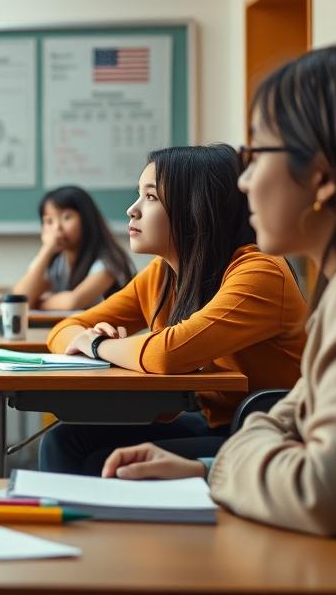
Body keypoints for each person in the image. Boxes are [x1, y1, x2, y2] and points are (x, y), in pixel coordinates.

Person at [101, 39, 336, 552]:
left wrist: (228, 457)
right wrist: (205, 469)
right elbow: (291, 414)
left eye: (257, 156)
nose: (244, 183)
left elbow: (332, 490)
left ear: (322, 177)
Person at [40, 144, 307, 475]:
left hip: (267, 435)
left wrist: (95, 344)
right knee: (63, 440)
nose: (132, 210)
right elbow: (64, 329)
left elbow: (167, 353)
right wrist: (82, 335)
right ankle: (64, 519)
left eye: (151, 197)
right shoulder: (163, 273)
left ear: (197, 207)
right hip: (213, 421)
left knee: (103, 461)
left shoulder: (260, 271)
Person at [12, 185, 135, 309]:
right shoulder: (56, 262)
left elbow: (72, 302)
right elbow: (20, 299)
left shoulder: (108, 262)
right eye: (49, 221)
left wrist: (37, 303)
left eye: (66, 217)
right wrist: (46, 250)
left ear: (86, 220)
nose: (57, 227)